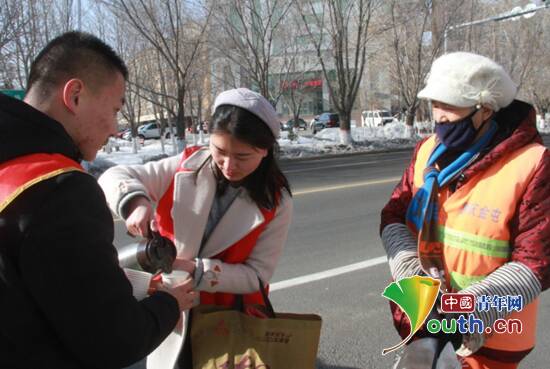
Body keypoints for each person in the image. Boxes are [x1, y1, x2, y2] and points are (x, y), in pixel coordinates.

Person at [0, 31, 196, 369]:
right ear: (75, 95)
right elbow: (115, 340)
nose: (116, 128)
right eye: (115, 109)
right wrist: (168, 304)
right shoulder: (61, 190)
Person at [98, 87, 293, 369]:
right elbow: (114, 175)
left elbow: (256, 275)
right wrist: (137, 203)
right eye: (220, 151)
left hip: (227, 314)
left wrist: (196, 270)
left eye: (242, 157)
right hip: (172, 306)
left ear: (264, 151)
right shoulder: (187, 165)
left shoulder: (277, 200)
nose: (228, 165)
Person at [380, 52, 549, 369]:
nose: (439, 116)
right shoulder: (427, 151)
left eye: (449, 105)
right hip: (427, 324)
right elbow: (394, 216)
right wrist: (412, 277)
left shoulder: (532, 162)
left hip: (491, 334)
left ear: (485, 110)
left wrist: (463, 311)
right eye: (434, 104)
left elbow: (535, 261)